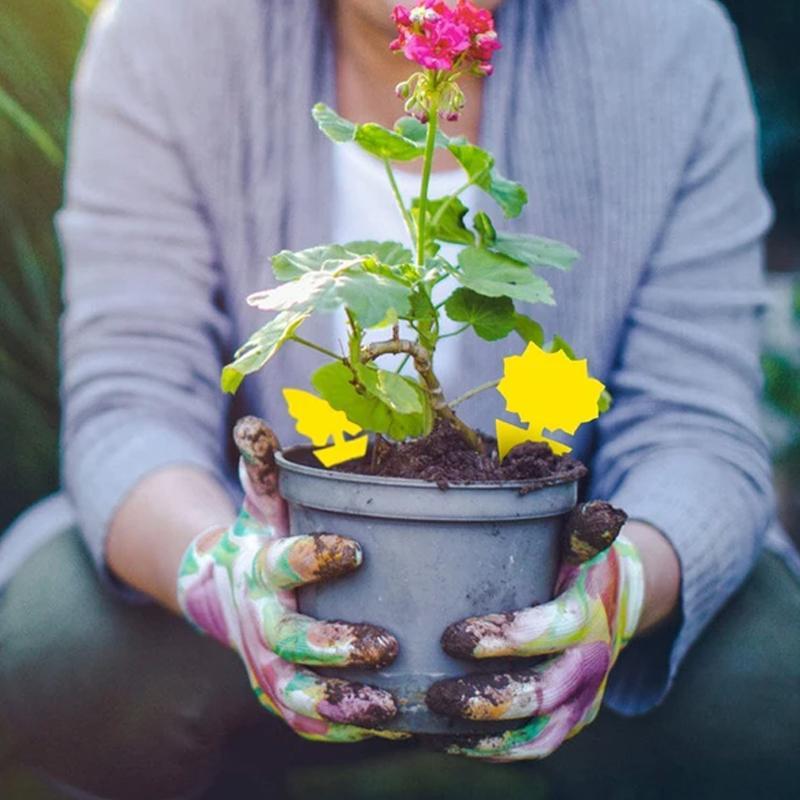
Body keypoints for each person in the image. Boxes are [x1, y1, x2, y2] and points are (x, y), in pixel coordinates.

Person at [1, 0, 799, 798]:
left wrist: (620, 595)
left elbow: (696, 423)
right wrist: (231, 580)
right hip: (274, 560)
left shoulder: (669, 41)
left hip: (556, 574)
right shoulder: (165, 33)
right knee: (57, 640)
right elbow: (130, 397)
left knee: (764, 674)